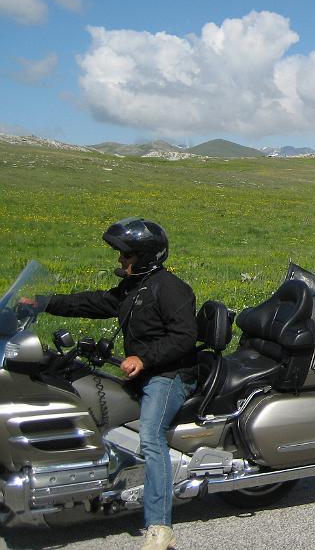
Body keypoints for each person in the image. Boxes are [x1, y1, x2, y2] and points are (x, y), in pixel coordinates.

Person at [43, 218, 197, 550]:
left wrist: (145, 359)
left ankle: (160, 527)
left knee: (151, 436)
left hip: (169, 375)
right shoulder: (134, 288)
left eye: (125, 255)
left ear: (144, 256)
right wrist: (45, 302)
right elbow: (94, 302)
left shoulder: (171, 289)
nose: (120, 261)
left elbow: (185, 337)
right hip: (144, 371)